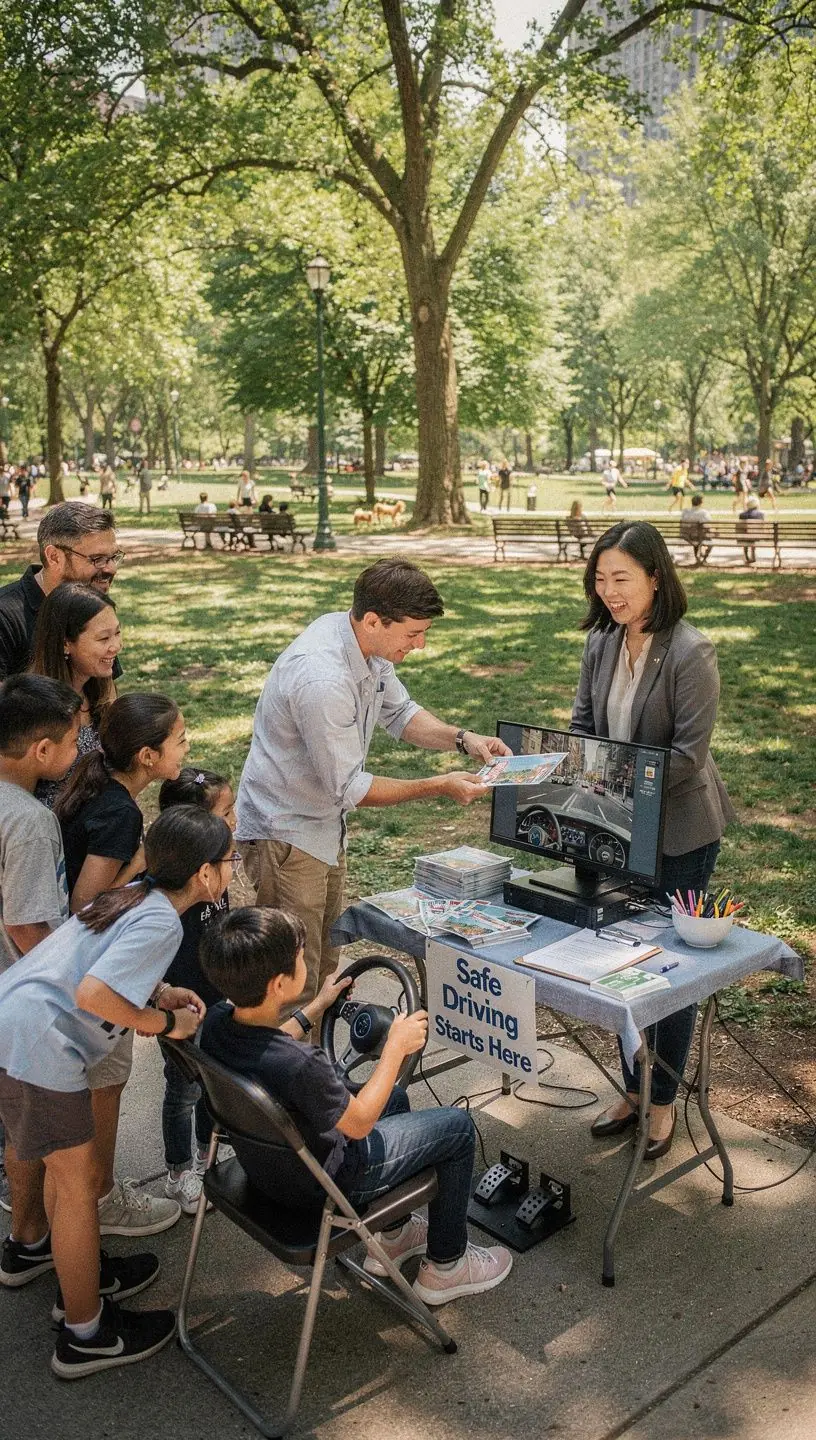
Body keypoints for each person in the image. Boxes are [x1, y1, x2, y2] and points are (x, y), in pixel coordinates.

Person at [0, 805, 233, 1378]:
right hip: (40, 1047)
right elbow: (95, 993)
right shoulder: (163, 921)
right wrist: (166, 1024)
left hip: (15, 1027)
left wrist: (162, 991)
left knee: (58, 1171)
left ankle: (54, 1263)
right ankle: (85, 1333)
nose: (234, 868)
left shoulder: (135, 894)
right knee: (76, 1187)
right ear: (205, 874)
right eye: (229, 861)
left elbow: (99, 959)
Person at [199, 906, 512, 1305]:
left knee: (395, 1098)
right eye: (299, 954)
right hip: (332, 1181)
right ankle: (447, 1265)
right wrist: (394, 1051)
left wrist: (317, 1007)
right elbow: (360, 1123)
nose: (304, 959)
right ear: (279, 984)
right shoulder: (302, 1066)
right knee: (458, 1128)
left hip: (269, 1172)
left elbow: (266, 1045)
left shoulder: (217, 1023)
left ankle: (395, 1235)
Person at [236, 559, 508, 1010]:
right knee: (290, 979)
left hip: (322, 826)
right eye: (413, 633)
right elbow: (350, 788)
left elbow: (400, 715)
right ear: (373, 620)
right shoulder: (322, 677)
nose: (420, 645)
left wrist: (462, 739)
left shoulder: (364, 644)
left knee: (323, 969)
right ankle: (284, 1074)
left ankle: (313, 1067)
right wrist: (439, 786)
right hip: (285, 832)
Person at [571, 521, 735, 1158]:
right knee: (621, 963)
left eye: (622, 579)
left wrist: (614, 784)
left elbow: (688, 758)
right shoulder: (600, 644)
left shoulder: (691, 651)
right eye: (601, 579)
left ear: (655, 578)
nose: (609, 592)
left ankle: (663, 1102)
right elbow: (584, 727)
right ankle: (632, 1087)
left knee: (668, 971)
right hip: (613, 829)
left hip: (679, 836)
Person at [53, 694, 190, 1234]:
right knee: (105, 1087)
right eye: (179, 740)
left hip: (67, 972)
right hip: (93, 975)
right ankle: (102, 1200)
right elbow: (85, 908)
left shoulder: (98, 786)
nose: (187, 748)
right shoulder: (119, 813)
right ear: (148, 757)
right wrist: (142, 864)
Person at [0, 676, 82, 1240]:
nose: (80, 753)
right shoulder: (30, 822)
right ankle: (30, 1239)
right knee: (45, 1140)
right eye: (75, 741)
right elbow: (26, 923)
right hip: (23, 1002)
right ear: (42, 750)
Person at [157, 767, 236, 1214]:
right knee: (183, 1089)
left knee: (214, 1083)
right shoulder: (174, 884)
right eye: (226, 812)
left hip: (217, 993)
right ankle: (179, 1170)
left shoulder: (217, 866)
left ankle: (211, 1155)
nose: (235, 819)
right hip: (180, 1002)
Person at [0, 503, 122, 681]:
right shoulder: (5, 617)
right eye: (98, 559)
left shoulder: (95, 608)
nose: (111, 569)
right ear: (54, 557)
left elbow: (107, 695)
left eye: (113, 557)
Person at [29, 583, 121, 809]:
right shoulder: (35, 705)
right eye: (103, 639)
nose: (116, 646)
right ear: (65, 643)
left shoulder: (100, 690)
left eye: (117, 633)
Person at [679, 493, 713, 565]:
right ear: (701, 503)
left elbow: (681, 524)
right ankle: (704, 559)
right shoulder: (703, 513)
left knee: (696, 539)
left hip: (687, 536)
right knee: (709, 542)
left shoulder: (685, 511)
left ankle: (697, 558)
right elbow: (708, 525)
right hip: (699, 536)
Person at [737, 493, 765, 565]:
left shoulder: (742, 515)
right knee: (753, 535)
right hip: (756, 537)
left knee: (745, 535)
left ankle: (746, 556)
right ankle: (753, 555)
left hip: (744, 537)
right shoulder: (761, 515)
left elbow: (740, 528)